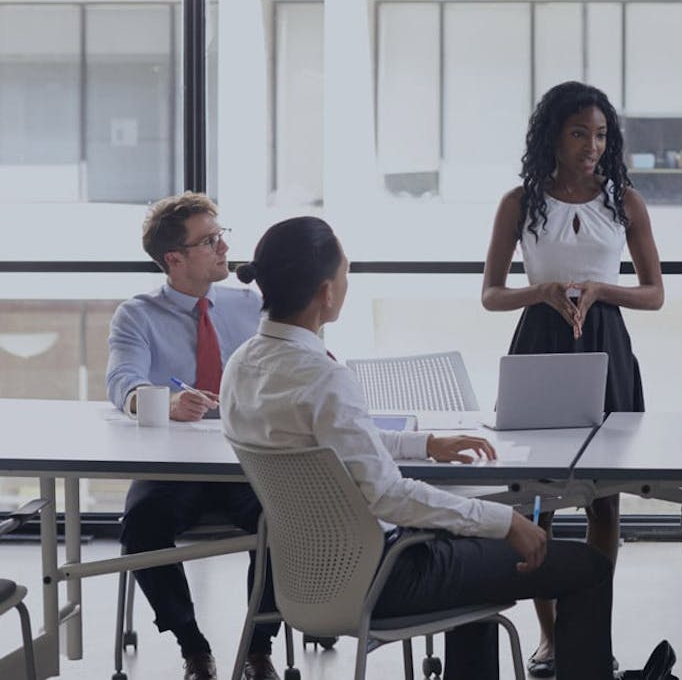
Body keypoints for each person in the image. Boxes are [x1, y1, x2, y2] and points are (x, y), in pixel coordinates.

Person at [221, 216, 616, 680]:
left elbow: (332, 448)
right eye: (346, 276)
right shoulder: (324, 378)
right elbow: (388, 496)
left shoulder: (242, 365)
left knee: (475, 552)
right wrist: (506, 520)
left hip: (305, 578)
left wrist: (425, 443)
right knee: (586, 566)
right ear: (327, 292)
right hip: (385, 576)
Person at [482, 80, 663, 677]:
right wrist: (543, 291)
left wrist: (601, 289)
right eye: (580, 133)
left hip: (606, 344)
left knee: (604, 499)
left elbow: (655, 294)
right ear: (553, 137)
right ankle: (551, 637)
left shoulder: (625, 202)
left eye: (601, 134)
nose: (592, 146)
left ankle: (592, 633)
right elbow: (490, 295)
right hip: (541, 343)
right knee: (537, 501)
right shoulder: (519, 202)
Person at [105, 191, 275, 680]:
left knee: (286, 517)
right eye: (210, 240)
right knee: (141, 525)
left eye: (222, 235)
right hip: (173, 466)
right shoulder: (137, 315)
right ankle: (193, 648)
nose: (224, 248)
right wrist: (160, 401)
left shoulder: (254, 307)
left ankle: (258, 646)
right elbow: (123, 382)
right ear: (174, 259)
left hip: (247, 461)